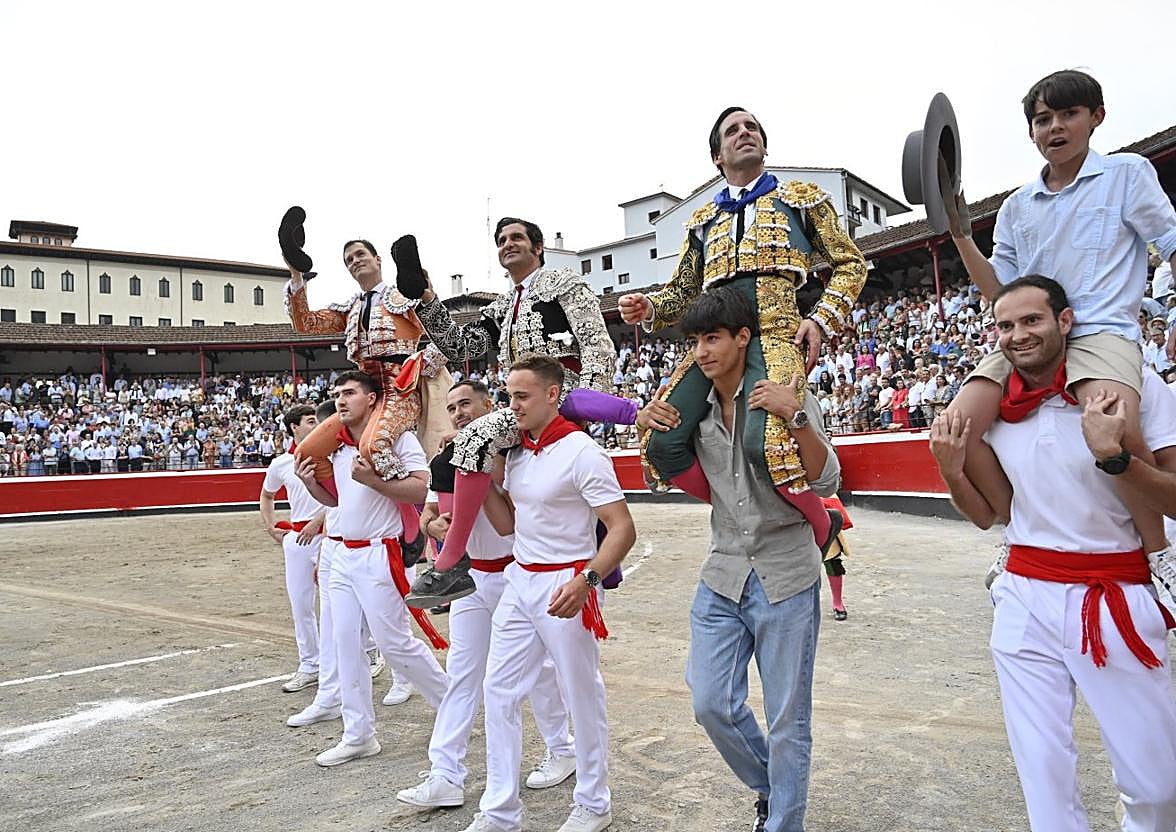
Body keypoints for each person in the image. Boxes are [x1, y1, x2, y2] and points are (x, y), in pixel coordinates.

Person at [930, 275, 1176, 830]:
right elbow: (990, 515)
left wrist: (1116, 458)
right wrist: (951, 471)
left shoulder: (1135, 388)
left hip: (1115, 596)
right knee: (1043, 777)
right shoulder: (994, 410)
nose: (1018, 335)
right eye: (1006, 325)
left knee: (1157, 784)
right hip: (1025, 594)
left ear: (1065, 322)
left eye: (1032, 320)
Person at [942, 69, 1176, 560]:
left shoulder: (1126, 173)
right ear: (1031, 130)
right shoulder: (1016, 206)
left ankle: (1158, 554)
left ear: (1096, 117)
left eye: (1069, 114)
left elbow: (1170, 242)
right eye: (1043, 119)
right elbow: (999, 291)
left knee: (1118, 428)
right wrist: (961, 234)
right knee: (956, 426)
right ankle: (1018, 531)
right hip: (1030, 330)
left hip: (1101, 332)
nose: (1055, 127)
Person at [618, 106, 865, 555]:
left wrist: (820, 318)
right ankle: (734, 510)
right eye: (732, 130)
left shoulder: (801, 200)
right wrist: (650, 306)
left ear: (764, 145)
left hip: (776, 334)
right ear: (718, 155)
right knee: (659, 441)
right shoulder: (702, 222)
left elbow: (851, 263)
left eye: (751, 127)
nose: (744, 133)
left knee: (766, 442)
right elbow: (681, 292)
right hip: (717, 338)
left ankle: (819, 518)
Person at [638, 286, 841, 832]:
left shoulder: (783, 393)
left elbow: (827, 480)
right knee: (711, 704)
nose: (701, 352)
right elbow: (660, 472)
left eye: (713, 339)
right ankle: (773, 789)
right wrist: (644, 423)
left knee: (787, 720)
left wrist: (796, 418)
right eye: (695, 341)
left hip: (786, 573)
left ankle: (783, 822)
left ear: (743, 338)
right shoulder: (691, 412)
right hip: (724, 571)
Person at [398, 218, 634, 607]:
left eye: (517, 238)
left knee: (475, 437)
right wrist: (427, 299)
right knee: (463, 446)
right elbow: (462, 347)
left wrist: (583, 408)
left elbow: (596, 344)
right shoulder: (502, 306)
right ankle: (457, 548)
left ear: (538, 247)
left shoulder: (566, 285)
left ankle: (451, 559)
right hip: (521, 408)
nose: (508, 244)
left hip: (560, 402)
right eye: (502, 240)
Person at [460, 355, 636, 832]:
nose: (512, 405)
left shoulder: (583, 452)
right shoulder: (516, 451)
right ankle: (499, 810)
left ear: (553, 395)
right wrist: (482, 474)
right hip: (520, 579)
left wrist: (587, 581)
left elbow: (622, 528)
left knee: (581, 693)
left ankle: (594, 803)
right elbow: (508, 525)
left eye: (522, 396)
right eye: (508, 396)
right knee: (498, 690)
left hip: (568, 582)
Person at [395, 379, 576, 812]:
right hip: (470, 579)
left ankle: (561, 748)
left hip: (516, 575)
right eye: (452, 407)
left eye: (466, 404)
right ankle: (445, 773)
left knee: (539, 674)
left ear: (489, 405)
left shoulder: (515, 452)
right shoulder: (447, 458)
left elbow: (508, 522)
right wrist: (433, 525)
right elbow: (429, 515)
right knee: (462, 672)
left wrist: (481, 460)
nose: (458, 413)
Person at [295, 370, 449, 767]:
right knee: (344, 643)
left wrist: (374, 481)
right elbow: (335, 502)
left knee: (393, 642)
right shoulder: (338, 446)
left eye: (349, 393)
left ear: (372, 399)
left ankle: (451, 705)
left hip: (380, 553)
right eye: (337, 394)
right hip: (343, 555)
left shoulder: (397, 438)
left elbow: (422, 488)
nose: (341, 400)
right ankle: (358, 734)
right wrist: (310, 484)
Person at [282, 233, 452, 566]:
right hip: (364, 394)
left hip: (400, 390)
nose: (355, 261)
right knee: (307, 453)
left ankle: (413, 530)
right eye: (349, 259)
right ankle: (345, 506)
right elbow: (305, 323)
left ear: (378, 260)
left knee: (374, 446)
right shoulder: (351, 307)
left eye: (360, 254)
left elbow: (445, 337)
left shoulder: (404, 297)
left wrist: (419, 363)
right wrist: (296, 274)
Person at [285, 398, 406, 730]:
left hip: (373, 545)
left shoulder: (367, 450)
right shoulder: (330, 457)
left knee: (389, 630)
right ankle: (330, 696)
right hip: (337, 546)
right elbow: (334, 503)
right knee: (337, 631)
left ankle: (404, 680)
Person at [259, 405, 326, 693]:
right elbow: (266, 495)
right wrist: (270, 526)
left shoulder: (331, 455)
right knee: (301, 605)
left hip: (331, 537)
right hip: (298, 539)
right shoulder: (281, 464)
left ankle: (369, 651)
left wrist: (317, 522)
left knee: (343, 601)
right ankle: (310, 664)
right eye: (310, 421)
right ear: (294, 428)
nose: (317, 425)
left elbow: (343, 498)